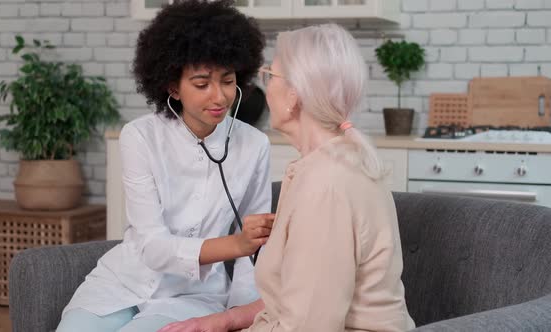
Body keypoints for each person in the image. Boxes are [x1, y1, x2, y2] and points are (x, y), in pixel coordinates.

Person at [159, 23, 416, 332]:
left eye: (270, 75)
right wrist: (222, 321)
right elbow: (295, 296)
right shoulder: (319, 167)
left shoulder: (326, 186)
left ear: (294, 96)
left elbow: (308, 324)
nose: (265, 87)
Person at [56, 1, 275, 331]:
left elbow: (254, 254)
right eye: (202, 84)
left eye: (227, 81)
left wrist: (239, 318)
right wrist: (235, 244)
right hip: (121, 284)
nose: (219, 97)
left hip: (192, 296)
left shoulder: (254, 146)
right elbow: (153, 247)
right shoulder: (140, 137)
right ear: (173, 87)